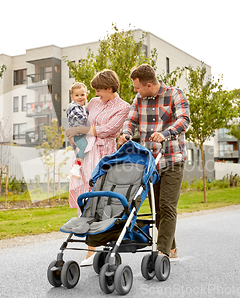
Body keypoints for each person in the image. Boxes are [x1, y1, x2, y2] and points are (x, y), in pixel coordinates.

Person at [118, 64, 190, 262]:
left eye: (137, 87)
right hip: (150, 162)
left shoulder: (175, 94)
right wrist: (125, 133)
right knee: (157, 209)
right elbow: (130, 121)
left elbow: (184, 120)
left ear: (149, 85)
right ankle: (171, 246)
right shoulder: (139, 99)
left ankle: (162, 252)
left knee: (167, 206)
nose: (135, 91)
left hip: (172, 159)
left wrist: (166, 133)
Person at [66, 70, 130, 266]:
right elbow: (80, 118)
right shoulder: (93, 103)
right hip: (86, 153)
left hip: (104, 154)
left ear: (109, 88)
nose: (96, 94)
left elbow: (107, 130)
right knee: (85, 195)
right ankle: (90, 249)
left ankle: (101, 248)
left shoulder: (123, 107)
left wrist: (81, 130)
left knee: (101, 198)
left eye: (99, 90)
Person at [65, 82, 89, 180]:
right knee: (85, 146)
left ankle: (78, 168)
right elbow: (82, 120)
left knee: (84, 149)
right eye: (77, 95)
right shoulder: (74, 107)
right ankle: (75, 168)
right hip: (78, 134)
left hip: (79, 133)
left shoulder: (83, 108)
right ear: (72, 97)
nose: (80, 97)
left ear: (86, 95)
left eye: (82, 95)